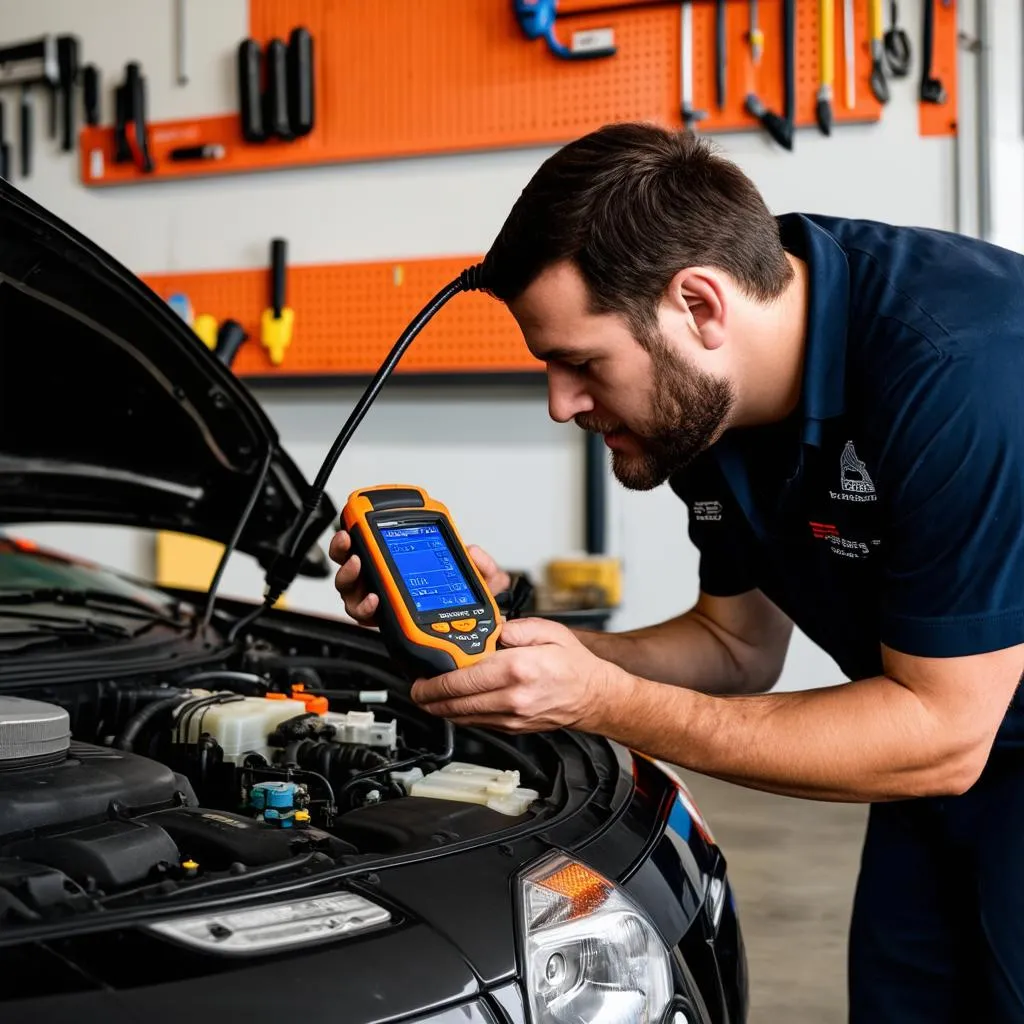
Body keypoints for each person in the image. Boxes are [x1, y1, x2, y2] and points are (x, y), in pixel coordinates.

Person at [329, 122, 1024, 1022]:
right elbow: (734, 647)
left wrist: (602, 701)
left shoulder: (960, 378)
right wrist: (533, 653)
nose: (561, 403)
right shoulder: (707, 401)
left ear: (698, 305)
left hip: (957, 742)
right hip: (932, 764)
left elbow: (941, 732)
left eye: (582, 362)